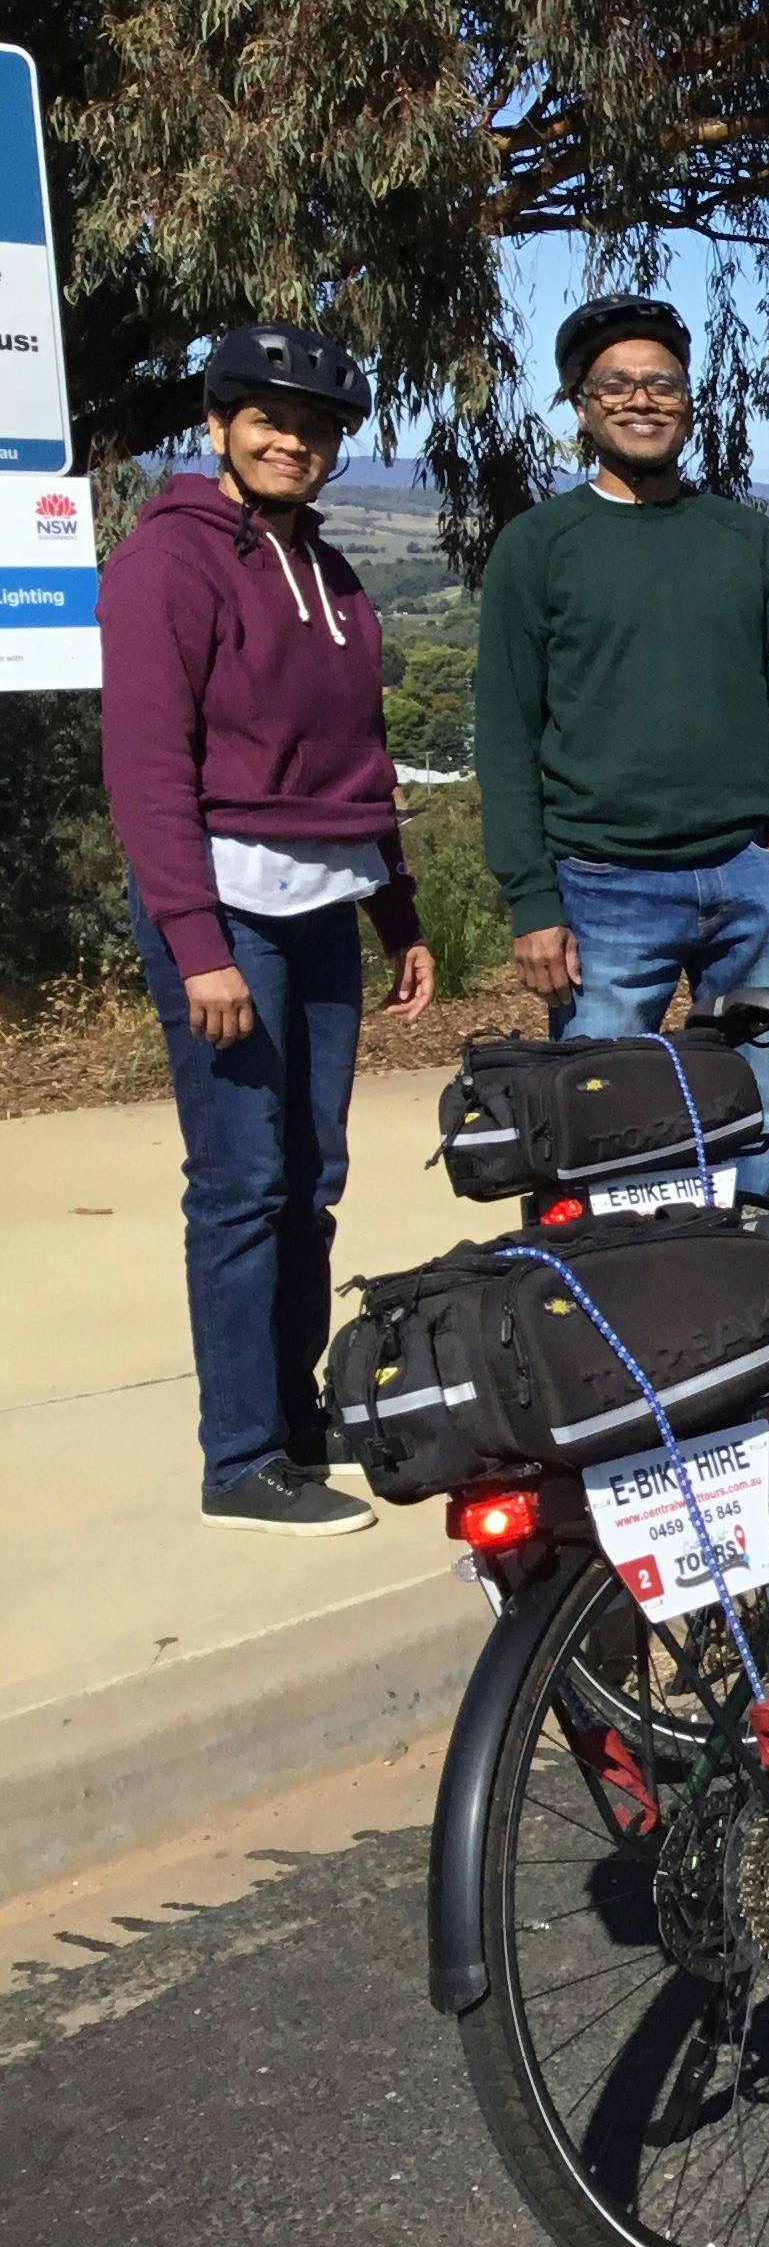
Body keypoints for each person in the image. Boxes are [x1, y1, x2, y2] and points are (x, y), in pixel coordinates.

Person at [102, 322, 436, 1534]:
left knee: (312, 1180)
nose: (290, 437)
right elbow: (144, 766)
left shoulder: (336, 580)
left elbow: (364, 764)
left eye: (314, 426)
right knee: (242, 1185)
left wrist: (397, 910)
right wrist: (194, 940)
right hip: (227, 911)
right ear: (219, 426)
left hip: (323, 910)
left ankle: (295, 1420)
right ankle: (241, 1459)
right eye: (265, 415)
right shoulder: (169, 565)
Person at [475, 294, 769, 1194]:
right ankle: (611, 1302)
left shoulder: (744, 539)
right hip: (601, 887)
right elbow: (507, 731)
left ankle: (747, 1286)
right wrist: (531, 898)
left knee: (760, 1108)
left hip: (747, 877)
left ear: (688, 400)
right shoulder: (538, 546)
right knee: (597, 1120)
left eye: (661, 383)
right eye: (617, 385)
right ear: (582, 405)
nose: (642, 400)